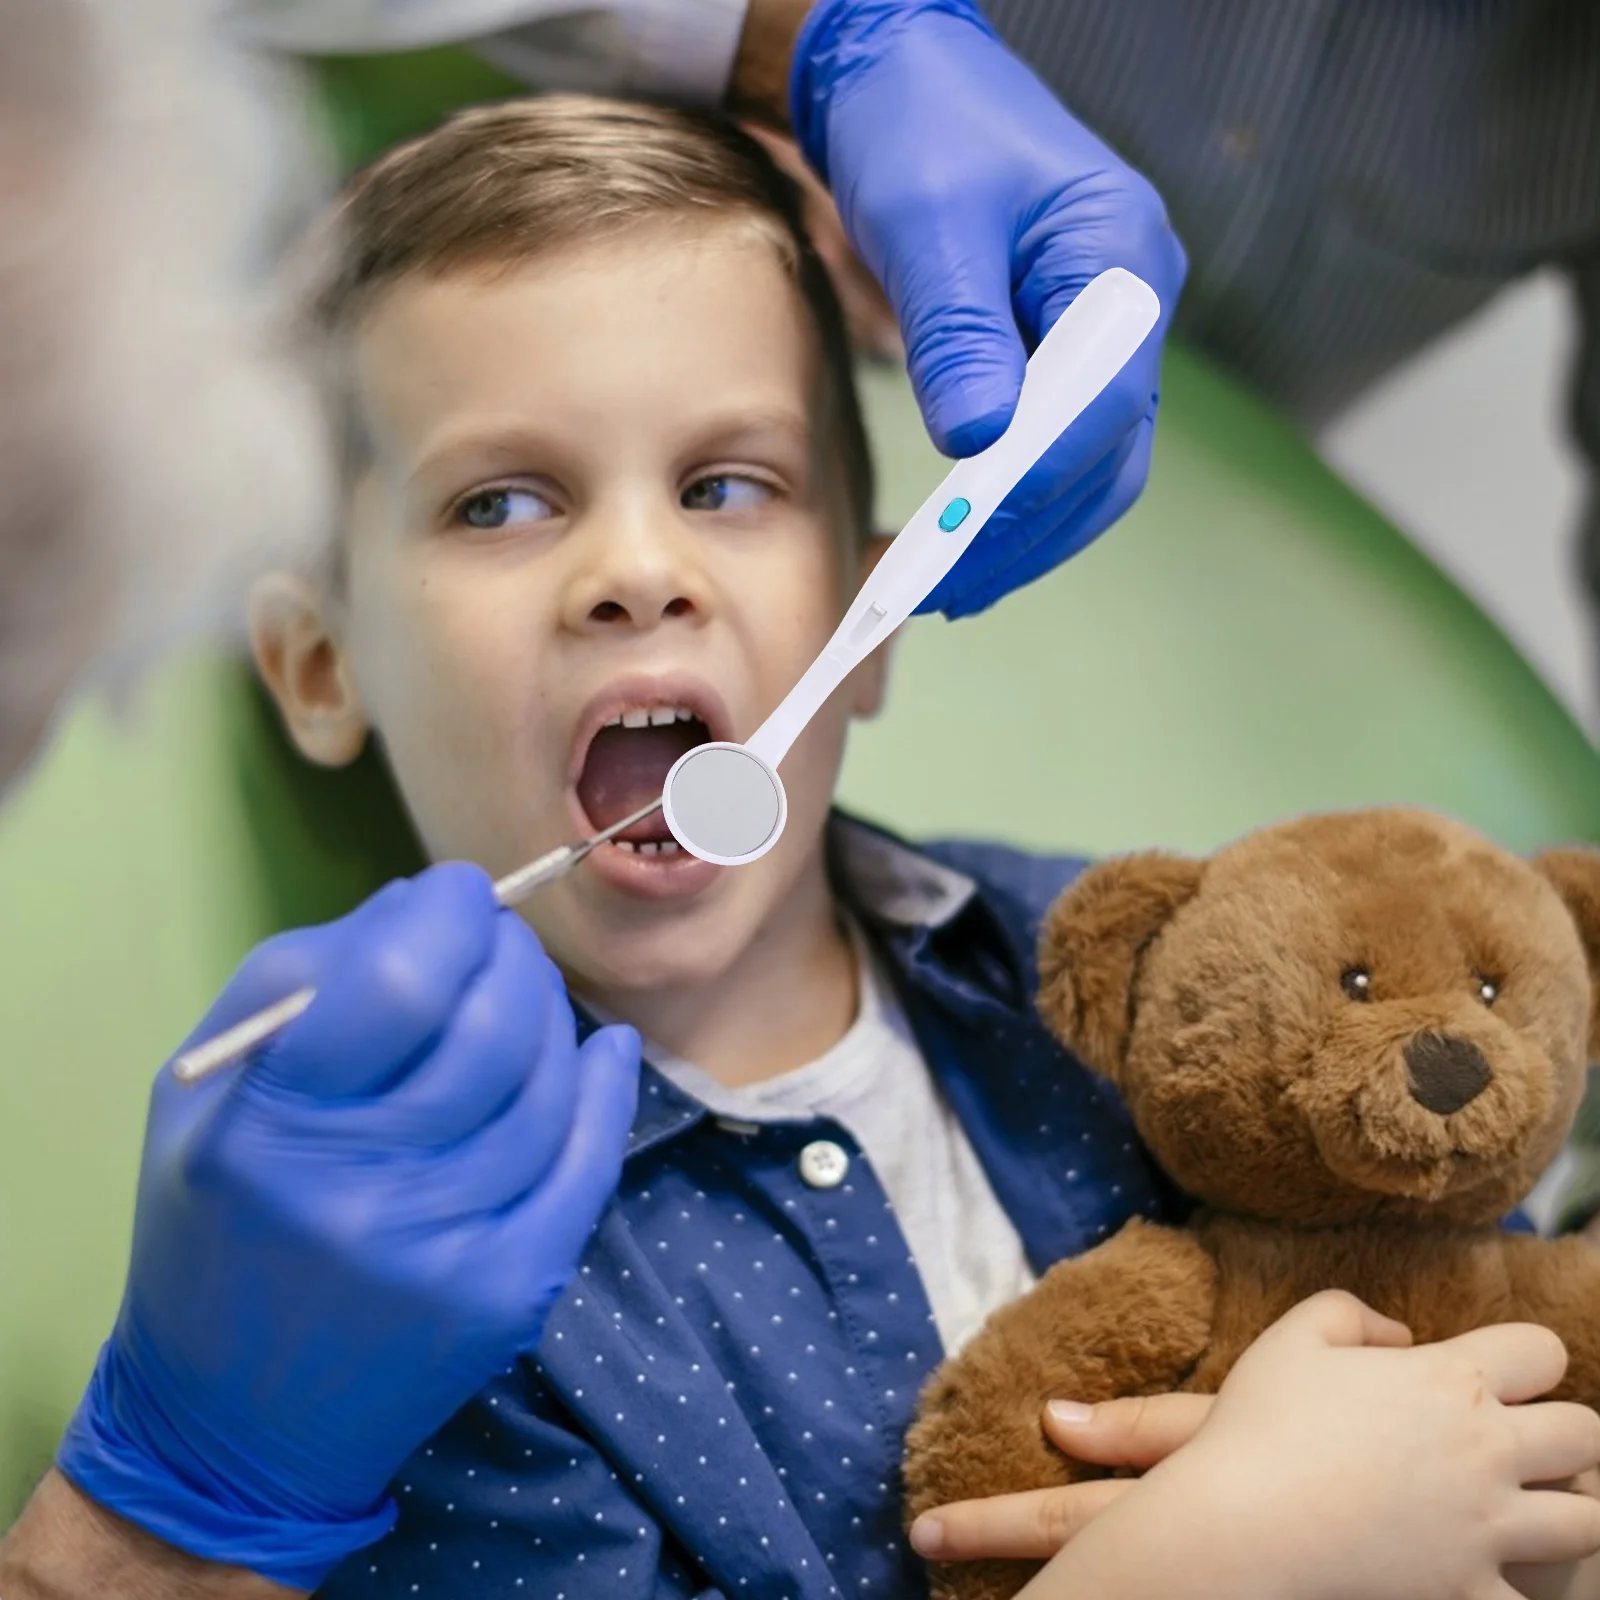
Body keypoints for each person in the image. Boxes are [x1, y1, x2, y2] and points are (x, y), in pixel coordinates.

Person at [9, 96, 1598, 1600]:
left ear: (879, 610)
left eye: (725, 483)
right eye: (500, 503)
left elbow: (1512, 1360)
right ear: (316, 664)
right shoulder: (405, 1310)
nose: (639, 570)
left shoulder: (1143, 976)